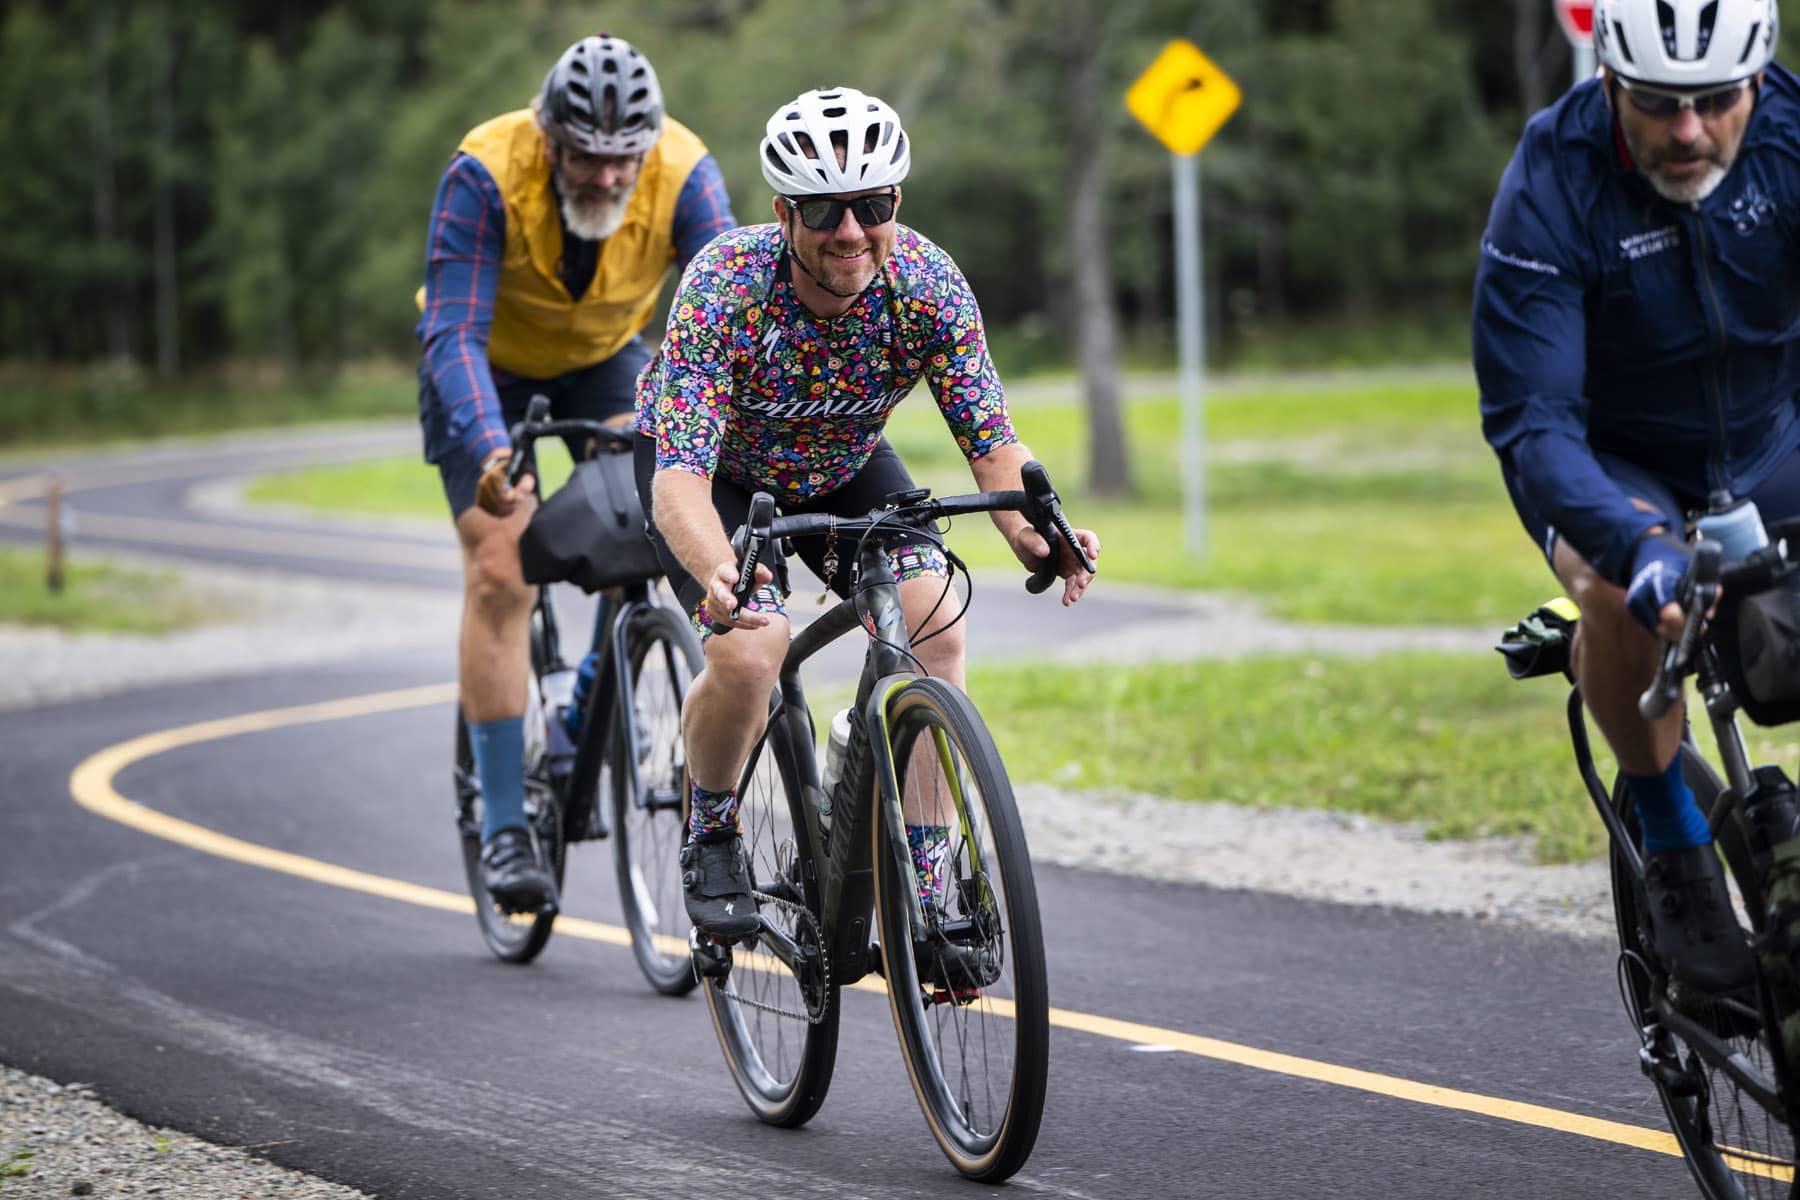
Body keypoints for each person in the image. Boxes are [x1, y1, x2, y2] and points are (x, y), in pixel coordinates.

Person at [633, 86, 1100, 937]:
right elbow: (679, 484)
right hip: (718, 478)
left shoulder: (927, 284)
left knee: (936, 622)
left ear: (897, 202)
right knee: (753, 647)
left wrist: (1036, 531)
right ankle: (712, 830)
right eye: (823, 210)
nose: (850, 231)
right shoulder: (725, 287)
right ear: (783, 213)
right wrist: (718, 570)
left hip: (843, 466)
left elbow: (992, 443)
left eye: (873, 205)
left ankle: (924, 888)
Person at [1473, 0, 1797, 992]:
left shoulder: (1790, 145)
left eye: (1717, 100)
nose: (1689, 130)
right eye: (1658, 103)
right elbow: (1536, 421)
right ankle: (1676, 850)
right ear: (1610, 81)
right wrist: (1636, 544)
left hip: (1769, 438)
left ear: (1758, 81)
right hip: (1612, 460)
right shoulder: (1553, 181)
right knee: (1616, 594)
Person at [416, 33, 735, 912]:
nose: (606, 176)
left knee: (654, 519)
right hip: (488, 365)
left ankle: (593, 687)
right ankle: (504, 821)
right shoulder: (485, 170)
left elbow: (734, 309)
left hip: (605, 357)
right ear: (546, 136)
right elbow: (452, 332)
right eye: (585, 157)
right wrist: (492, 449)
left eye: (623, 158)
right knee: (501, 569)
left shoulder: (686, 171)